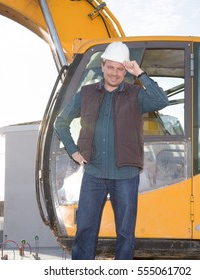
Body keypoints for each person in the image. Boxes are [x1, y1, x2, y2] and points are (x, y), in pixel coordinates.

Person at [54, 41, 169, 260]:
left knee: (125, 234)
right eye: (111, 67)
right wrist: (73, 151)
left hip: (126, 176)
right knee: (85, 231)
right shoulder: (86, 94)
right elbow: (60, 123)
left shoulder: (136, 95)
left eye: (120, 69)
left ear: (125, 70)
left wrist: (140, 73)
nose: (115, 73)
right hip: (93, 175)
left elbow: (161, 100)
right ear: (103, 65)